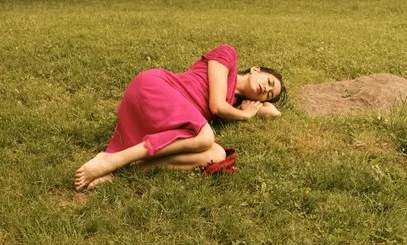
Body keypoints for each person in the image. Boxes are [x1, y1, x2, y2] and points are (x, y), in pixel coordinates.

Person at [74, 44, 285, 189]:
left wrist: (257, 106)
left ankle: (124, 169)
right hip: (158, 88)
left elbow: (274, 112)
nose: (265, 89)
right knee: (205, 137)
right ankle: (112, 160)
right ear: (255, 69)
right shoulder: (227, 55)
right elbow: (217, 106)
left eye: (268, 94)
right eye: (269, 82)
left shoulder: (235, 104)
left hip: (174, 120)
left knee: (216, 154)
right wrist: (246, 115)